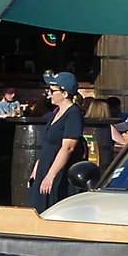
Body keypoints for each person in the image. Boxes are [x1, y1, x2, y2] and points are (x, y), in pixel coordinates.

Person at [27, 71, 84, 214]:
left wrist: (51, 175)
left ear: (65, 93)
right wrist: (37, 169)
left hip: (59, 173)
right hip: (45, 167)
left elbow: (68, 148)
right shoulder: (56, 112)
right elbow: (48, 144)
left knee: (53, 211)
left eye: (53, 91)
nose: (49, 94)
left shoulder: (73, 114)